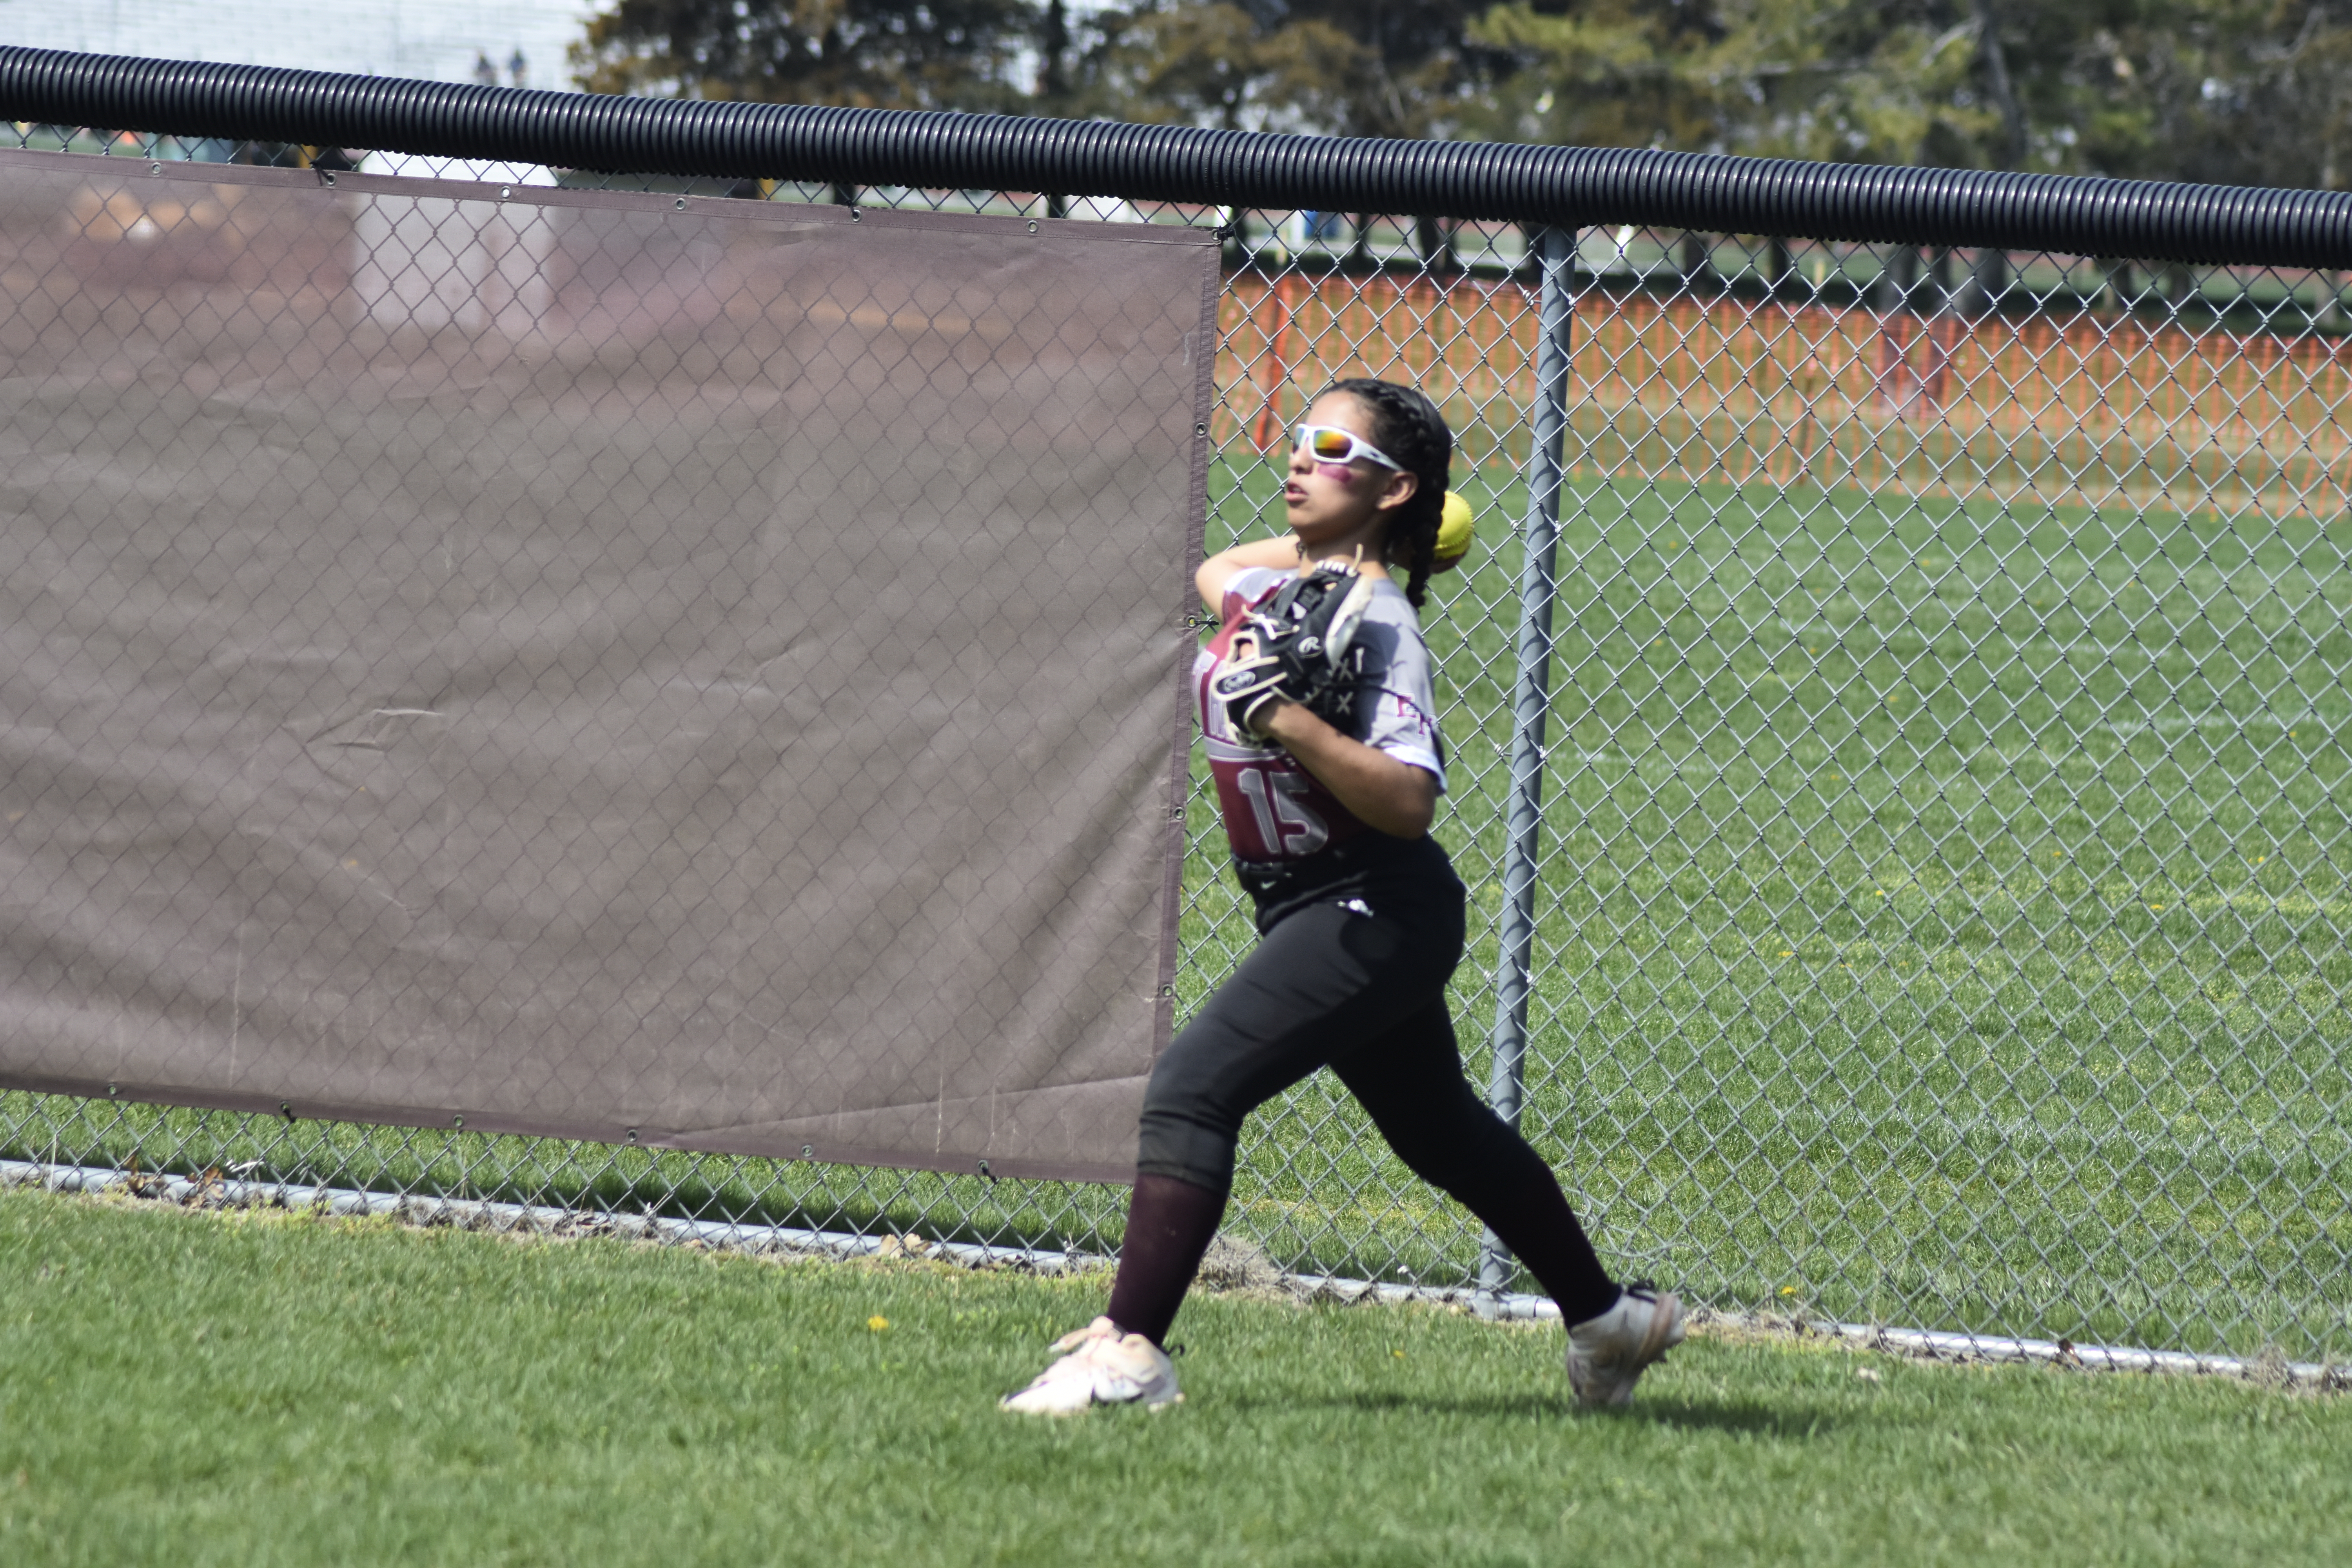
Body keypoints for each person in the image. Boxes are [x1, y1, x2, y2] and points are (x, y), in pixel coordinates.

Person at [1001, 378, 1685, 1416]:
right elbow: (1217, 568)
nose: (1297, 460)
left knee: (1193, 1088)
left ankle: (1128, 1354)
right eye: (1299, 440)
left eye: (1329, 447)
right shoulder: (1293, 591)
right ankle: (1609, 1323)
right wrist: (1358, 542)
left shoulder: (1382, 628)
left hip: (1372, 906)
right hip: (1313, 903)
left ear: (1396, 483)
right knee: (1441, 1133)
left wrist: (1295, 707)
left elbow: (1408, 801)